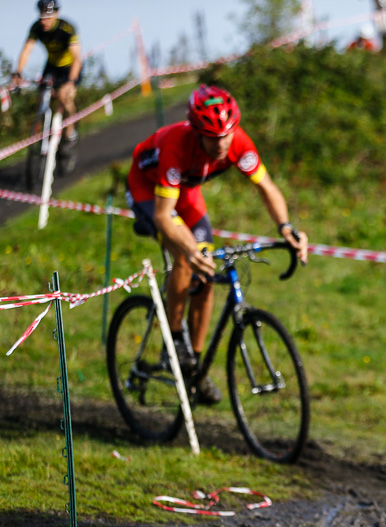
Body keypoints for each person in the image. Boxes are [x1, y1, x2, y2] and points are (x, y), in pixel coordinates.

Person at [126, 84, 309, 404]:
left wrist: (286, 227)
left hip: (186, 191)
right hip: (148, 188)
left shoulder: (237, 141)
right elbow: (164, 216)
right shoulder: (176, 146)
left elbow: (266, 187)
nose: (222, 143)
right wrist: (189, 249)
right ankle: (175, 341)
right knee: (187, 257)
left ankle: (194, 367)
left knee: (206, 273)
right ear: (197, 132)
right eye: (213, 137)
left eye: (226, 134)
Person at [12, 0, 81, 149]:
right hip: (52, 66)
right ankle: (45, 128)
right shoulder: (36, 28)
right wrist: (18, 72)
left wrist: (70, 82)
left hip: (69, 67)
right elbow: (26, 51)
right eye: (42, 17)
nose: (44, 22)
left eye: (48, 18)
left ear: (56, 15)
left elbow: (77, 58)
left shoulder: (66, 28)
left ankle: (70, 131)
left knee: (65, 97)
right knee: (42, 98)